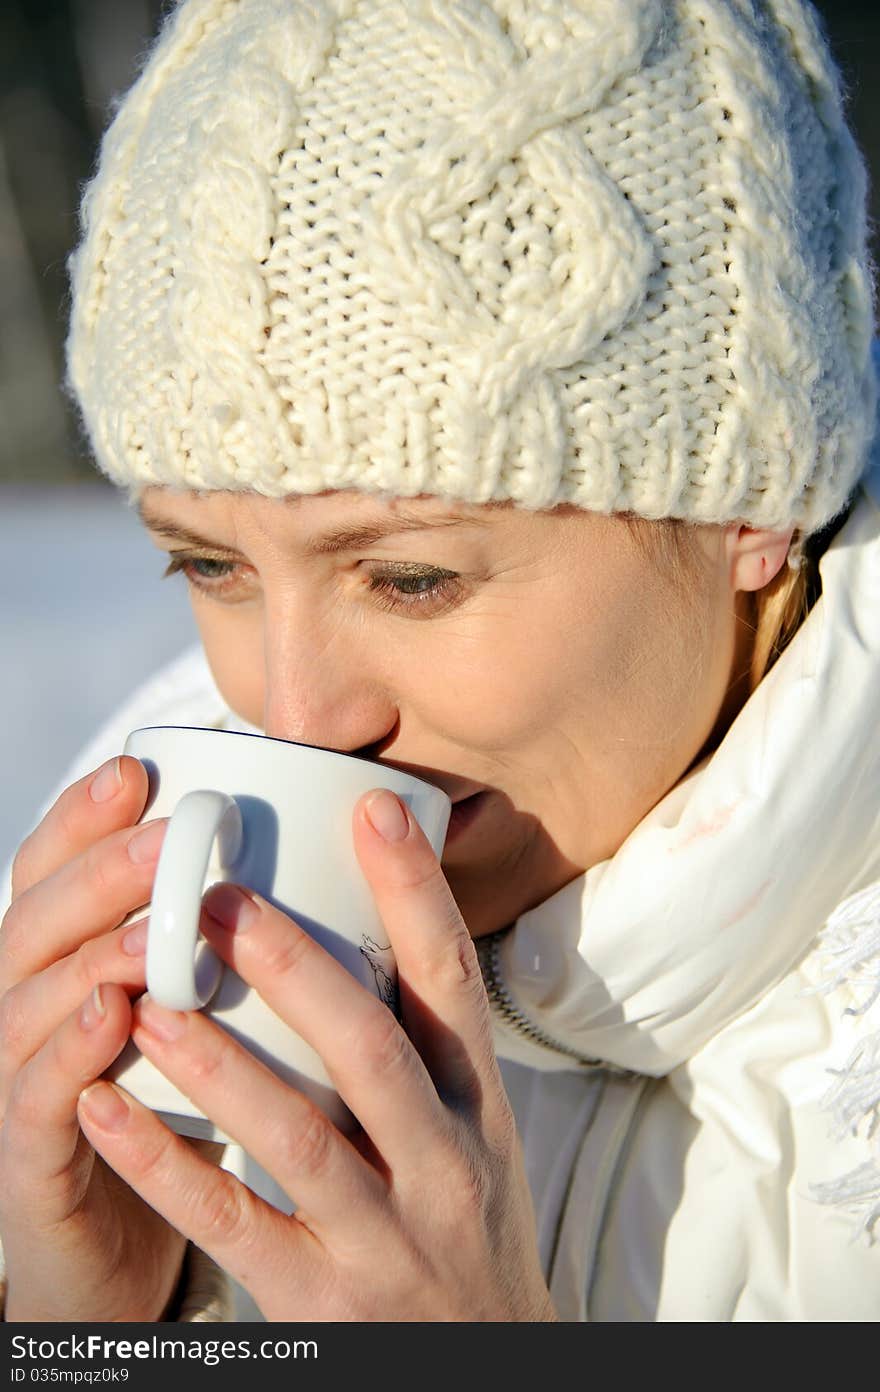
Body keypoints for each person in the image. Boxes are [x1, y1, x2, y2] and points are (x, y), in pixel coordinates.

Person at [1, 0, 878, 1322]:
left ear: (748, 508)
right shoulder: (159, 852)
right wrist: (102, 1327)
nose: (293, 718)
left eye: (412, 577)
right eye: (211, 566)